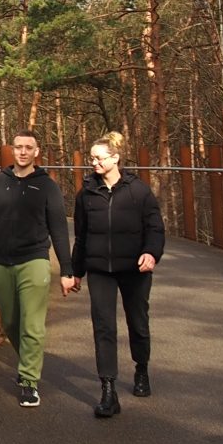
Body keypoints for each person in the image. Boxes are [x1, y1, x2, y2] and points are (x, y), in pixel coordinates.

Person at [0, 129, 72, 406]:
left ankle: (28, 381)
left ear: (37, 152)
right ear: (12, 151)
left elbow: (59, 229)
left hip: (35, 260)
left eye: (28, 147)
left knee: (33, 325)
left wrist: (67, 270)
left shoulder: (46, 186)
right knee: (10, 320)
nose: (23, 152)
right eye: (18, 147)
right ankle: (28, 361)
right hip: (3, 261)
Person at [62, 130, 164, 417]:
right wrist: (74, 271)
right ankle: (108, 390)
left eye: (99, 158)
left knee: (138, 322)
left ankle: (141, 369)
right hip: (99, 270)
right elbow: (81, 236)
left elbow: (155, 227)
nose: (93, 163)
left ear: (115, 158)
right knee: (104, 327)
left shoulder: (138, 191)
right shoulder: (86, 195)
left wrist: (151, 253)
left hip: (134, 268)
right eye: (92, 158)